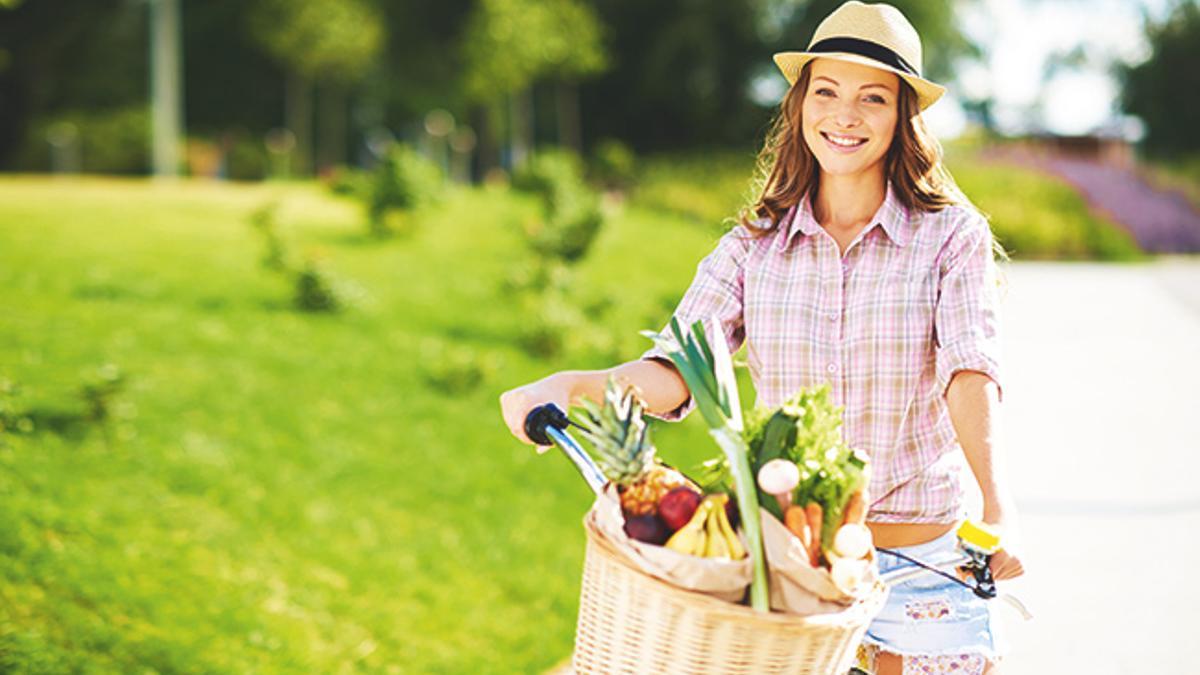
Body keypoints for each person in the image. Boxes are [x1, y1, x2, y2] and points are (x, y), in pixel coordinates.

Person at [500, 2, 1025, 673]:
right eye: (826, 92)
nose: (845, 116)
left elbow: (968, 370)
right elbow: (678, 368)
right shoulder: (755, 245)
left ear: (902, 117)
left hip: (923, 569)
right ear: (800, 104)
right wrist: (566, 386)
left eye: (872, 98)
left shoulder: (950, 236)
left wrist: (997, 503)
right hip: (793, 575)